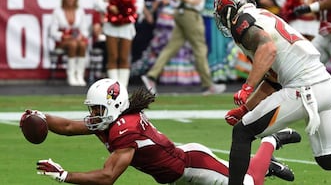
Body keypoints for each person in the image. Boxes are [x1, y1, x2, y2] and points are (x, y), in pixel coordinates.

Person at [22, 78, 298, 185]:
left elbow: (108, 177)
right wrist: (39, 116)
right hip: (177, 174)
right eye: (92, 109)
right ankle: (265, 163)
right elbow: (69, 126)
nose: (93, 115)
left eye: (97, 109)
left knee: (249, 184)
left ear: (113, 105)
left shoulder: (125, 130)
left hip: (193, 166)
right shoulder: (112, 120)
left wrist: (63, 175)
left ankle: (271, 142)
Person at [213, 0, 331, 184]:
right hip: (324, 85)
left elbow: (268, 49)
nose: (221, 18)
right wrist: (246, 108)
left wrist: (247, 88)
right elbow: (274, 79)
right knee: (328, 158)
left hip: (304, 87)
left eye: (221, 12)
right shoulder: (261, 15)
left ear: (230, 8)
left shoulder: (243, 21)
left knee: (242, 132)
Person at [141, 0, 226, 95]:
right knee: (200, 48)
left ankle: (151, 76)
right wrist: (189, 0)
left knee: (172, 47)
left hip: (185, 12)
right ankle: (208, 85)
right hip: (189, 13)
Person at [94, 0, 145, 89]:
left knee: (124, 57)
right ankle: (114, 87)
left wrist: (133, 10)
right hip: (111, 23)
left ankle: (123, 88)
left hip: (127, 23)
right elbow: (97, 0)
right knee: (113, 56)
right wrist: (108, 7)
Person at [49, 0, 89, 86]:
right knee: (73, 44)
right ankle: (71, 75)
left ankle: (79, 75)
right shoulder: (57, 12)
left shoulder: (80, 11)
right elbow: (52, 32)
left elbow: (85, 30)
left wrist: (81, 36)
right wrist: (63, 36)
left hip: (77, 39)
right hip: (62, 42)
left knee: (82, 44)